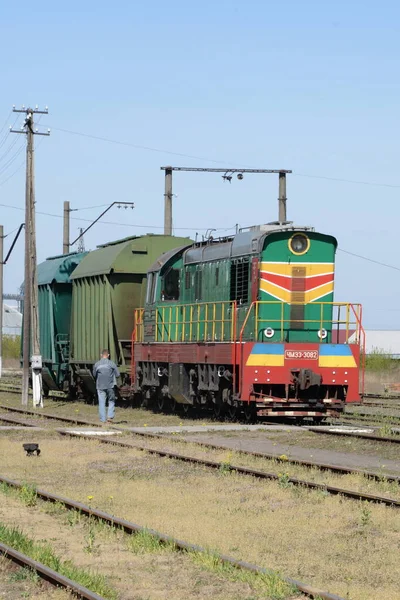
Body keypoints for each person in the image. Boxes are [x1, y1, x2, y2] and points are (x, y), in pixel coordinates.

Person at [93, 349, 120, 424]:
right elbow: (118, 374)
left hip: (100, 386)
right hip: (110, 386)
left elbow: (94, 375)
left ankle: (103, 420)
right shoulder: (112, 364)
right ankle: (110, 417)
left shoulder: (97, 364)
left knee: (101, 402)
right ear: (108, 355)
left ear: (101, 355)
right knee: (111, 401)